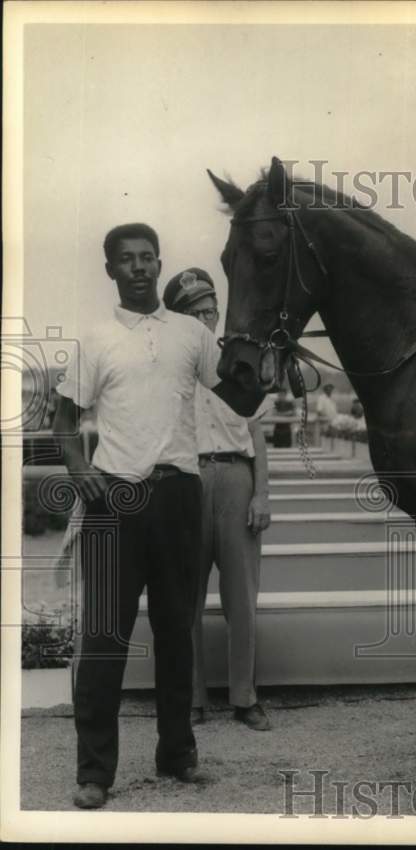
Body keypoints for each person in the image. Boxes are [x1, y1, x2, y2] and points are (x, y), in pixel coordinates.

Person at [53, 223, 218, 809]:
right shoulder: (95, 339)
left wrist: (270, 351)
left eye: (149, 257)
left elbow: (241, 392)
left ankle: (177, 755)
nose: (141, 268)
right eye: (127, 260)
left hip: (178, 496)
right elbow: (64, 419)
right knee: (103, 637)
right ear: (111, 270)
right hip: (115, 500)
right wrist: (78, 468)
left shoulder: (193, 334)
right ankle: (95, 773)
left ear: (158, 263)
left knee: (177, 632)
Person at [162, 268, 273, 733]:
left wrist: (261, 493)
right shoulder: (167, 367)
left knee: (241, 598)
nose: (206, 319)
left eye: (210, 310)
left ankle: (244, 698)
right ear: (180, 319)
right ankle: (191, 699)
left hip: (235, 476)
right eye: (195, 312)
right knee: (185, 597)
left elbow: (257, 436)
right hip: (186, 480)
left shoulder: (239, 364)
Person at [315, 383, 339, 451]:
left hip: (333, 422)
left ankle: (332, 451)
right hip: (325, 422)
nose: (330, 390)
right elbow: (319, 411)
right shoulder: (321, 398)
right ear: (325, 390)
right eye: (328, 389)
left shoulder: (333, 398)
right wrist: (324, 421)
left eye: (331, 389)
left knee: (333, 439)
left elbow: (335, 412)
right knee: (324, 438)